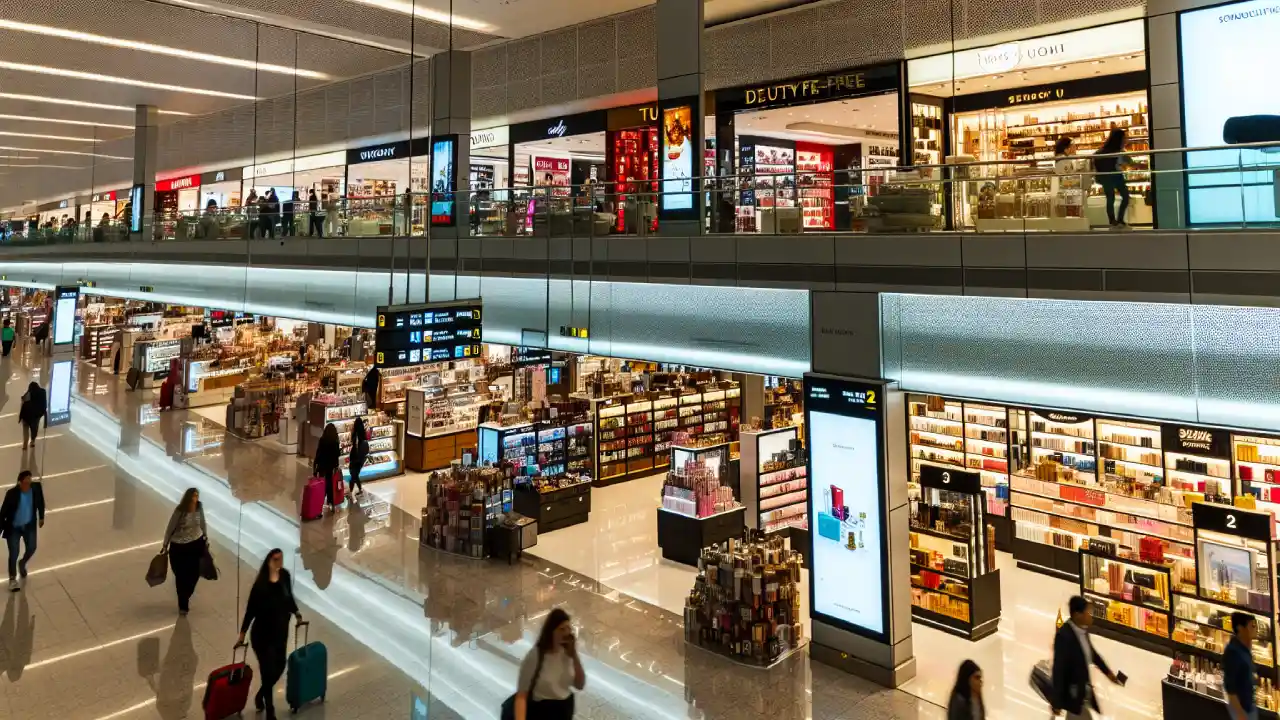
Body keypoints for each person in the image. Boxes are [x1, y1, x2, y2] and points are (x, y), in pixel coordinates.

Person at [237, 548, 301, 720]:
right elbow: (250, 610)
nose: (278, 563)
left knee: (280, 665)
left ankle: (261, 694)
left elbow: (289, 598)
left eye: (280, 559)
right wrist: (242, 633)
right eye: (275, 559)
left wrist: (297, 613)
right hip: (262, 635)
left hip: (280, 632)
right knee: (267, 670)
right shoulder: (261, 585)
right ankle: (270, 711)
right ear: (268, 561)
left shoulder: (285, 576)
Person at [1052, 595, 1122, 719]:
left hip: (1083, 693)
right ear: (1078, 615)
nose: (1090, 615)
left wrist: (1108, 673)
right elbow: (1059, 669)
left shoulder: (1082, 630)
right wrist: (1056, 702)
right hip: (1074, 695)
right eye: (1088, 612)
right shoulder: (1064, 636)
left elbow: (1091, 653)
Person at [514, 608, 585, 720]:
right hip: (543, 712)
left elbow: (580, 685)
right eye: (561, 629)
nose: (566, 633)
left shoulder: (568, 653)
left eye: (568, 629)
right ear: (551, 631)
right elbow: (521, 695)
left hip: (564, 711)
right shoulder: (536, 655)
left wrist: (574, 656)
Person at [161, 488, 208, 615]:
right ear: (188, 497)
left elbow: (202, 522)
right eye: (193, 496)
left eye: (197, 496)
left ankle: (186, 594)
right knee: (181, 575)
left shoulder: (199, 507)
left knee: (194, 573)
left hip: (196, 544)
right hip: (179, 546)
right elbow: (170, 527)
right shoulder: (180, 510)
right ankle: (183, 604)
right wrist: (165, 544)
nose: (195, 499)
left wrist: (205, 537)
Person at [0, 471, 44, 592]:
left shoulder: (35, 488)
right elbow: (3, 512)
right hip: (14, 527)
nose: (28, 485)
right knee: (14, 553)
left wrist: (41, 517)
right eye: (25, 482)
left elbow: (40, 502)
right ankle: (13, 579)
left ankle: (22, 563)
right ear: (20, 482)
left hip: (29, 525)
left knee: (32, 547)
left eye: (29, 481)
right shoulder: (12, 494)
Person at [1093, 128, 1132, 230]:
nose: (1126, 140)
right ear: (1119, 139)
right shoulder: (1120, 152)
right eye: (1124, 138)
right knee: (1125, 197)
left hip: (1107, 177)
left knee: (1111, 198)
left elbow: (1095, 164)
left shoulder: (1100, 152)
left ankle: (1114, 221)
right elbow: (1131, 163)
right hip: (1115, 176)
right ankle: (1119, 220)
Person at [1225, 612, 1259, 720]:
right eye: (1252, 626)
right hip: (1242, 713)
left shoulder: (1245, 649)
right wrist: (1240, 716)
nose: (1256, 629)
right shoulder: (1234, 652)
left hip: (1249, 708)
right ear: (1240, 628)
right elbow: (1231, 690)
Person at [313, 423, 342, 511]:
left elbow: (318, 453)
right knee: (330, 484)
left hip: (322, 465)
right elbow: (337, 454)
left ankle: (319, 504)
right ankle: (331, 503)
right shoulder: (335, 442)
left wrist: (315, 464)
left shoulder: (322, 440)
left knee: (321, 483)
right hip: (331, 466)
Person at [17, 381, 46, 450]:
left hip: (26, 415)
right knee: (34, 430)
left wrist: (20, 416)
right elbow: (44, 404)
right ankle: (32, 442)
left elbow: (23, 404)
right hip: (36, 416)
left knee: (25, 430)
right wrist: (43, 413)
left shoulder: (28, 394)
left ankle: (25, 445)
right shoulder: (42, 392)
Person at [349, 417, 370, 497]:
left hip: (355, 457)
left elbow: (354, 445)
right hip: (361, 458)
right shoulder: (363, 433)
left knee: (353, 475)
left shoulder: (355, 434)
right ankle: (360, 490)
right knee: (355, 474)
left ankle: (351, 493)